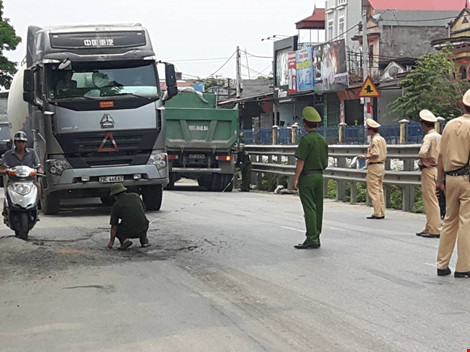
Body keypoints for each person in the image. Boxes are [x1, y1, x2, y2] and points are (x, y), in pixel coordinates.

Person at [435, 89, 470, 278]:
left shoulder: (449, 125)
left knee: (449, 221)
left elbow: (440, 155)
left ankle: (442, 264)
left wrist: (439, 180)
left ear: (462, 103)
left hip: (450, 179)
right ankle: (464, 267)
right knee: (466, 222)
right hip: (467, 179)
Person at [293, 106, 328, 249]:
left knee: (309, 208)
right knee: (318, 207)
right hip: (319, 175)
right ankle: (317, 236)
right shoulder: (322, 140)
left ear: (305, 122)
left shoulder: (306, 140)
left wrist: (296, 178)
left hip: (307, 177)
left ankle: (312, 238)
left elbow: (300, 161)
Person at [416, 109, 441, 239]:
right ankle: (429, 226)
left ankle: (435, 228)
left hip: (429, 169)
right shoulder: (439, 136)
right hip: (438, 169)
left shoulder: (428, 137)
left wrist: (423, 160)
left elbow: (422, 152)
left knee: (430, 200)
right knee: (433, 199)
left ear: (424, 124)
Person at [107, 183, 150, 250]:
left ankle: (125, 241)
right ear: (125, 191)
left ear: (115, 196)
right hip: (144, 227)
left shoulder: (116, 205)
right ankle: (144, 240)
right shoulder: (136, 196)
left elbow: (114, 227)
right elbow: (143, 209)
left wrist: (111, 242)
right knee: (141, 222)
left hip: (130, 231)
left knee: (118, 229)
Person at [359, 118, 387, 219]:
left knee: (373, 190)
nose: (367, 131)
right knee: (379, 189)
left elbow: (375, 154)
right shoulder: (382, 139)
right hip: (381, 166)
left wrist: (365, 157)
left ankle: (377, 212)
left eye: (368, 129)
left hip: (374, 165)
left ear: (371, 130)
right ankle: (381, 211)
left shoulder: (374, 140)